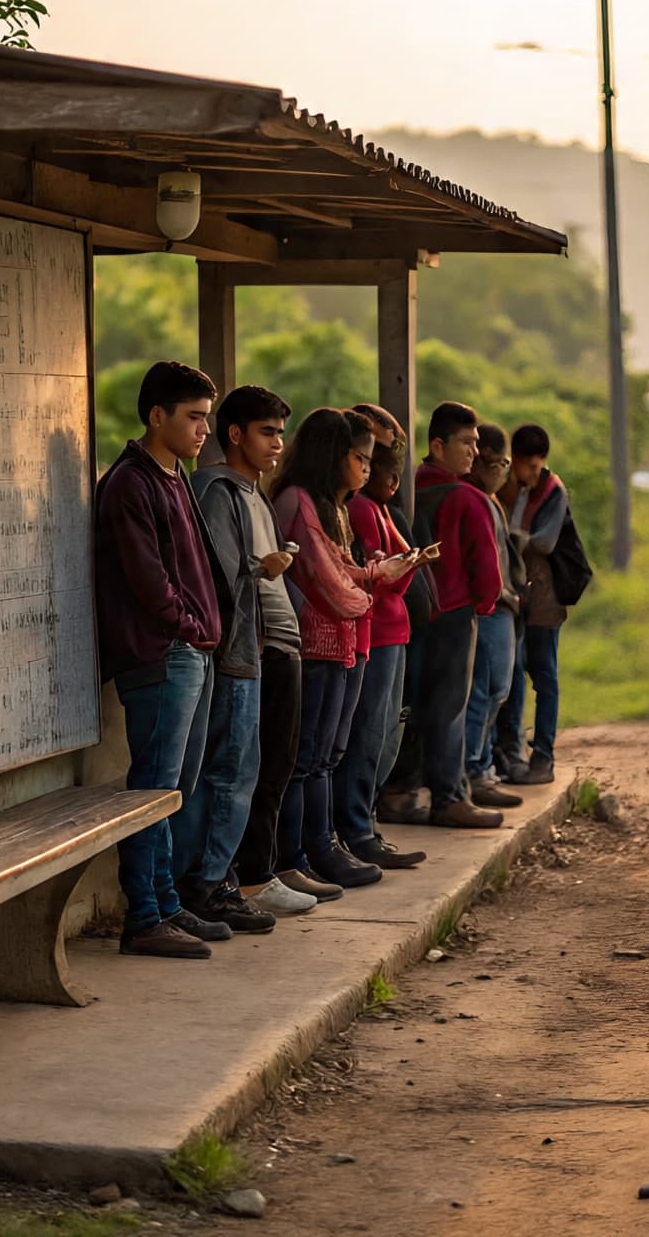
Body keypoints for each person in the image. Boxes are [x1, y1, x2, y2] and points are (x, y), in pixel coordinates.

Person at [94, 361, 235, 959]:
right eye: (195, 417)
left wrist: (203, 633)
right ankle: (144, 917)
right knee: (152, 788)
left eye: (207, 418)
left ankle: (168, 903)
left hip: (191, 652)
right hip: (161, 655)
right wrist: (191, 627)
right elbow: (149, 583)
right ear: (158, 416)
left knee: (175, 788)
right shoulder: (131, 482)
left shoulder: (174, 475)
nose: (205, 430)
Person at [182, 386, 317, 924]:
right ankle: (215, 882)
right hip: (244, 650)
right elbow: (219, 576)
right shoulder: (217, 489)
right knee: (231, 770)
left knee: (269, 765)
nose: (277, 443)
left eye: (281, 432)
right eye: (267, 431)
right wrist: (265, 569)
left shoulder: (255, 493)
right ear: (234, 433)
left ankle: (240, 876)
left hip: (272, 649)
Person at [272, 409, 416, 888]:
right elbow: (331, 584)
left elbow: (342, 574)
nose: (366, 468)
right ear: (333, 456)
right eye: (359, 457)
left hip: (344, 645)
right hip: (317, 646)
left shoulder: (331, 507)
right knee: (308, 757)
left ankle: (323, 845)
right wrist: (374, 582)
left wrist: (368, 575)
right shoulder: (299, 502)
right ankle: (299, 855)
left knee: (329, 754)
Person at [403, 402, 510, 828]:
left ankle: (401, 792)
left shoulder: (409, 489)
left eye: (476, 443)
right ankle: (449, 797)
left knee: (412, 705)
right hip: (454, 615)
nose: (473, 452)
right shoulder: (468, 498)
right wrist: (482, 607)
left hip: (413, 614)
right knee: (449, 708)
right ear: (437, 445)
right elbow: (488, 575)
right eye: (465, 442)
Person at [332, 404, 428, 868]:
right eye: (370, 460)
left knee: (385, 734)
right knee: (368, 735)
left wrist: (405, 565)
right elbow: (380, 577)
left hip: (393, 629)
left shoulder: (380, 508)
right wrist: (404, 565)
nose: (382, 470)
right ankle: (356, 828)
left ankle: (364, 823)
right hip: (376, 629)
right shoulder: (362, 508)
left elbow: (396, 574)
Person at [495, 423, 567, 785]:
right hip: (521, 596)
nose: (530, 474)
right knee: (513, 673)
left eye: (536, 467)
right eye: (526, 467)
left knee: (544, 676)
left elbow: (546, 542)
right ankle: (511, 751)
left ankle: (544, 756)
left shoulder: (552, 491)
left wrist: (513, 538)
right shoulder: (517, 489)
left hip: (544, 599)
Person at [461, 424, 523, 809]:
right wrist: (504, 596)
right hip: (489, 609)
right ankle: (475, 769)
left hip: (499, 608)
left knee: (494, 692)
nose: (505, 471)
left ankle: (480, 766)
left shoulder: (488, 500)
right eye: (503, 463)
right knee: (484, 693)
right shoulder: (475, 499)